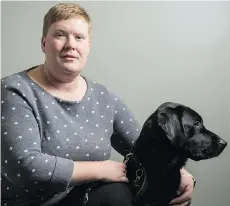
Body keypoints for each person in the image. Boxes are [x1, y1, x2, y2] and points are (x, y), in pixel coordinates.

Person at [1, 3, 195, 206]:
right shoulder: (14, 90)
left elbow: (146, 147)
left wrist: (182, 174)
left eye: (79, 37)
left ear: (88, 45)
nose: (70, 44)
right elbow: (25, 167)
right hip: (27, 202)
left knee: (125, 193)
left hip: (85, 197)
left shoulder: (104, 98)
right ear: (43, 43)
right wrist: (101, 169)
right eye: (60, 35)